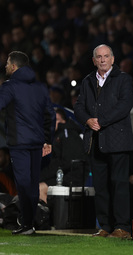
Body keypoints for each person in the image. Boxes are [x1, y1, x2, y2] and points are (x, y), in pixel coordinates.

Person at [74, 44, 133, 239]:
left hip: (118, 141)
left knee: (119, 185)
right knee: (100, 186)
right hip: (96, 141)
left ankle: (122, 227)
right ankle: (105, 227)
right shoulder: (87, 81)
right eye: (98, 57)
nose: (102, 60)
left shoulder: (123, 79)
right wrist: (86, 120)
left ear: (112, 59)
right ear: (94, 60)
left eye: (106, 56)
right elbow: (79, 106)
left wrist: (100, 121)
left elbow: (124, 106)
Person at [0, 51, 55, 235]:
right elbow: (50, 114)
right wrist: (47, 139)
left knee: (24, 184)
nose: (6, 66)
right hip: (37, 142)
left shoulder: (10, 86)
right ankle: (29, 224)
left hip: (20, 143)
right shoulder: (39, 87)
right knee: (31, 183)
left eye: (8, 63)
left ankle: (27, 223)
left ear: (14, 66)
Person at [39, 108, 87, 203]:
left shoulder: (67, 134)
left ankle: (45, 217)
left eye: (55, 120)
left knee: (40, 188)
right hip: (64, 175)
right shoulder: (58, 135)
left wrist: (41, 176)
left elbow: (66, 161)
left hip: (72, 177)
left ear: (63, 121)